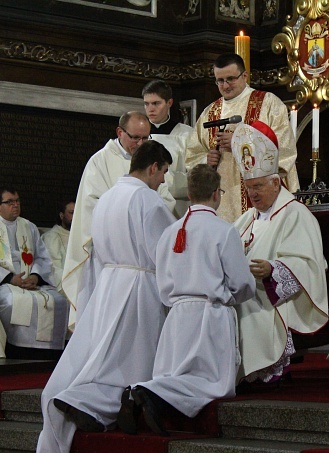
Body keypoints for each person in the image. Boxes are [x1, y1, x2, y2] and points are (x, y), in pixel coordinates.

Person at [37, 141, 175, 452]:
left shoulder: (107, 198)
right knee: (130, 360)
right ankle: (87, 401)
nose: (163, 180)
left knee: (106, 355)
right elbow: (164, 251)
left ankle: (85, 402)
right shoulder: (148, 201)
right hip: (141, 286)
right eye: (163, 172)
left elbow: (96, 252)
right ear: (153, 167)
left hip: (110, 283)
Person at [117, 164, 255, 435]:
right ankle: (148, 392)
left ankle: (149, 396)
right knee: (212, 383)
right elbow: (241, 283)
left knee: (176, 374)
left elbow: (162, 280)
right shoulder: (224, 231)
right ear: (217, 194)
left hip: (177, 316)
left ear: (190, 195)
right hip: (210, 316)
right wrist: (236, 296)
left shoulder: (169, 231)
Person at [230, 121, 328, 384]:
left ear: (276, 182)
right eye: (249, 187)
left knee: (247, 302)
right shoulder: (247, 218)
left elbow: (310, 264)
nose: (252, 194)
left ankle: (258, 373)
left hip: (273, 294)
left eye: (258, 186)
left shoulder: (296, 214)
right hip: (248, 287)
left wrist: (273, 269)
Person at [62, 111, 175, 329]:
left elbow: (165, 201)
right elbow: (90, 208)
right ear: (120, 132)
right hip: (109, 258)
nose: (141, 144)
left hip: (142, 259)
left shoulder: (152, 160)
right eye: (135, 138)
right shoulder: (100, 161)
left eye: (146, 138)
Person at [185, 53, 300, 223]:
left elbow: (284, 151)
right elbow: (192, 156)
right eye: (220, 81)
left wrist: (239, 144)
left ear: (244, 76)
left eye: (230, 78)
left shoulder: (268, 104)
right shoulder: (209, 113)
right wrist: (206, 160)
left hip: (259, 198)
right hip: (222, 200)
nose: (225, 85)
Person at [0, 188, 70, 360]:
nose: (15, 205)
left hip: (31, 281)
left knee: (59, 301)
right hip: (5, 282)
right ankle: (17, 352)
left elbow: (42, 257)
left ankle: (51, 354)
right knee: (13, 302)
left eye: (18, 201)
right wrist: (11, 278)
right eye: (10, 202)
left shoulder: (29, 227)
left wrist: (35, 276)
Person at [143, 79, 194, 217]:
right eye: (146, 104)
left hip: (178, 209)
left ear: (169, 103)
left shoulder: (186, 134)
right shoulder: (139, 135)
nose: (150, 109)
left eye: (156, 103)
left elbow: (194, 175)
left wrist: (167, 182)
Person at [41, 200, 74, 294]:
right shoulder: (51, 237)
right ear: (61, 215)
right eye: (71, 213)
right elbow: (53, 267)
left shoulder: (83, 237)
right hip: (67, 283)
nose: (75, 216)